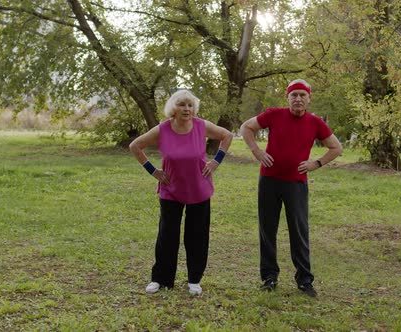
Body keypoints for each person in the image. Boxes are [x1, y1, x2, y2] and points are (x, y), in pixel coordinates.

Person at [239, 79, 342, 298]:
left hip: (296, 184)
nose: (297, 99)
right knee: (268, 229)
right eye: (293, 95)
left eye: (302, 95)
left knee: (299, 231)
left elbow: (336, 147)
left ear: (308, 99)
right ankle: (269, 277)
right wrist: (257, 151)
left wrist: (316, 163)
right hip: (269, 181)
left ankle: (304, 280)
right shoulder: (274, 114)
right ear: (287, 97)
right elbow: (246, 127)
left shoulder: (315, 122)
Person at [129, 89, 233, 296]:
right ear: (172, 108)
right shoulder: (163, 129)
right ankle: (161, 279)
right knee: (167, 236)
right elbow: (135, 146)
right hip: (171, 190)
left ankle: (194, 279)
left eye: (190, 105)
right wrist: (153, 171)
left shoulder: (201, 126)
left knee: (197, 236)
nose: (186, 109)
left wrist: (215, 162)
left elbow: (226, 135)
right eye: (182, 105)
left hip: (199, 189)